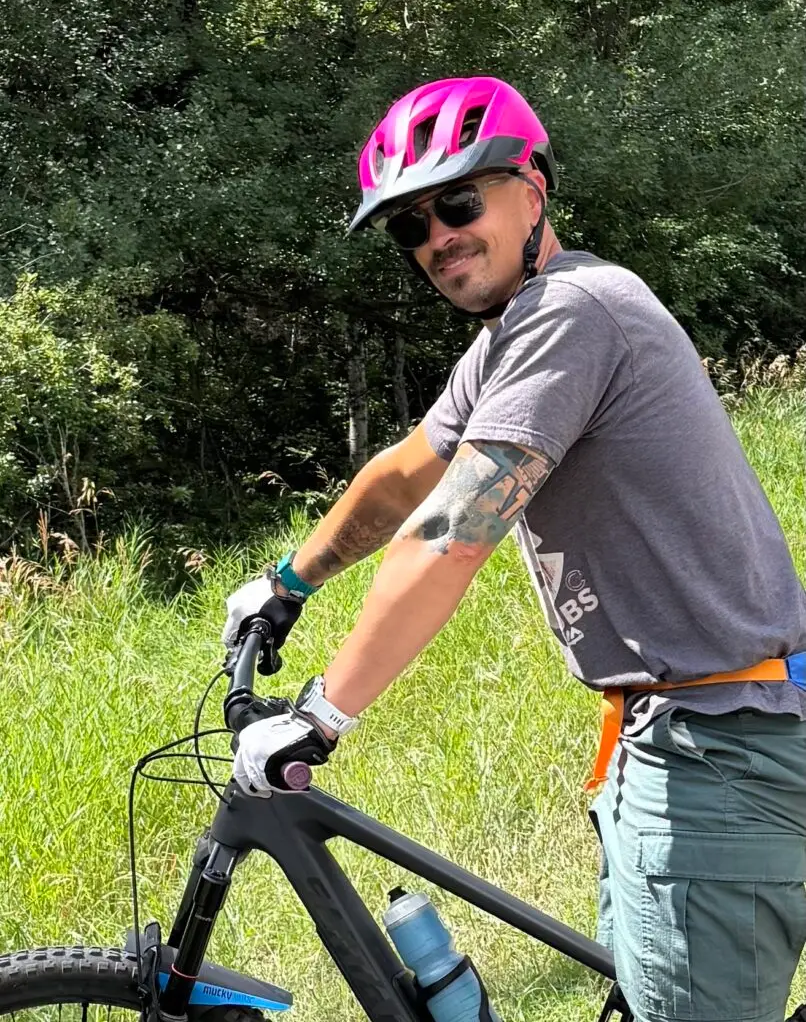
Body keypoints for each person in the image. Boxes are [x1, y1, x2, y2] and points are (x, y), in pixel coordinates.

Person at [222, 77, 806, 1022]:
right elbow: (408, 471)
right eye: (412, 227)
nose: (438, 237)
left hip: (723, 746)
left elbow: (453, 532)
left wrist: (323, 714)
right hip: (679, 735)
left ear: (531, 192)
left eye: (459, 202)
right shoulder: (514, 337)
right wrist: (287, 581)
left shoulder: (573, 312)